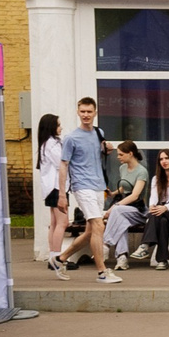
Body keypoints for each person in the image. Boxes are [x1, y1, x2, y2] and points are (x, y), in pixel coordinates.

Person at [53, 96, 118, 283]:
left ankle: (60, 259)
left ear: (95, 112)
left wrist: (107, 148)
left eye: (89, 112)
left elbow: (99, 151)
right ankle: (102, 272)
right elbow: (64, 165)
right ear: (78, 112)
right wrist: (62, 194)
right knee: (99, 225)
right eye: (83, 111)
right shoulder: (71, 138)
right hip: (82, 186)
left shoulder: (99, 132)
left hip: (99, 186)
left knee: (91, 231)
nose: (86, 115)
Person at [100, 142, 151, 270]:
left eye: (121, 154)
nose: (118, 157)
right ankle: (122, 257)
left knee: (117, 211)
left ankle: (106, 244)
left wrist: (114, 206)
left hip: (138, 210)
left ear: (130, 154)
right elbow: (124, 187)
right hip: (125, 210)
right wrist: (113, 193)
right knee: (121, 221)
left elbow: (134, 195)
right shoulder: (122, 168)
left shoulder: (142, 171)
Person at [33, 114, 64, 266]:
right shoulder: (51, 144)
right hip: (56, 186)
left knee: (54, 222)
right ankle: (57, 258)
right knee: (62, 223)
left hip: (51, 188)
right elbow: (61, 163)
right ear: (51, 127)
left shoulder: (47, 143)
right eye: (58, 125)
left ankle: (53, 256)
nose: (61, 127)